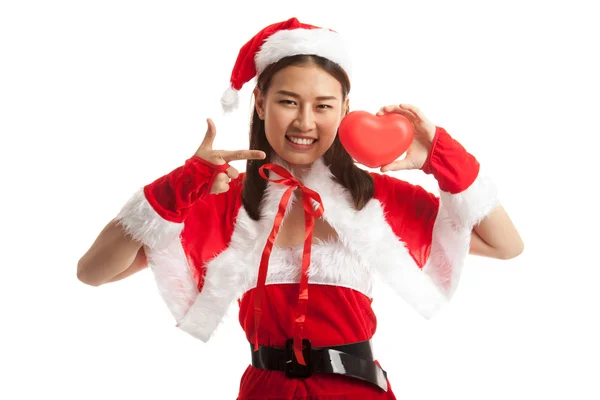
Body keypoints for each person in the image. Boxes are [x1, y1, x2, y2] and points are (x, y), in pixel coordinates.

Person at [77, 17, 524, 399]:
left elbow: (504, 245)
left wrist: (439, 158)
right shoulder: (223, 202)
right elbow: (94, 271)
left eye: (323, 106)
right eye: (288, 101)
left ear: (345, 109)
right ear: (259, 102)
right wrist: (179, 186)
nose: (305, 122)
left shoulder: (376, 199)